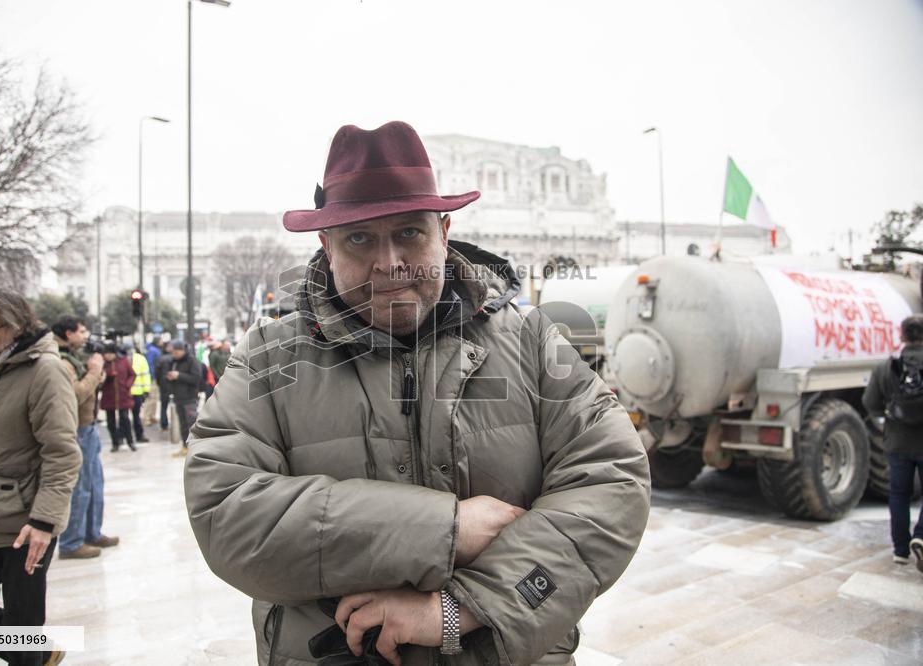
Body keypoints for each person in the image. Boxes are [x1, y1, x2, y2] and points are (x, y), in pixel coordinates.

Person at [183, 121, 650, 666]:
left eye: (409, 232)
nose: (389, 262)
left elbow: (612, 481)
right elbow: (224, 510)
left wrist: (462, 609)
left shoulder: (532, 342)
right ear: (326, 245)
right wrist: (446, 530)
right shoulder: (270, 358)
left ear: (444, 233)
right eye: (360, 238)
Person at [0, 286, 78, 666]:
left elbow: (62, 454)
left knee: (22, 632)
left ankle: (33, 654)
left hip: (28, 522)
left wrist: (43, 522)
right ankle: (43, 653)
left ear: (17, 324)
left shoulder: (46, 371)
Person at [53, 316, 120, 560]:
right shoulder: (61, 361)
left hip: (88, 427)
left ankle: (92, 533)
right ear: (68, 334)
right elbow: (75, 395)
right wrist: (94, 371)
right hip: (76, 429)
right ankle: (71, 542)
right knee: (80, 488)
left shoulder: (72, 357)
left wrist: (96, 375)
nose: (85, 336)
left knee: (94, 485)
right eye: (81, 331)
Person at [863, 313, 923, 572]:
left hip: (897, 442)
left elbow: (870, 403)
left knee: (899, 494)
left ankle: (900, 550)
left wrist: (889, 415)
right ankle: (921, 536)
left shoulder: (886, 367)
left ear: (902, 336)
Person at [167, 340, 202, 458]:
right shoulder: (174, 361)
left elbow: (196, 378)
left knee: (192, 424)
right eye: (173, 352)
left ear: (183, 350)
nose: (174, 354)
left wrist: (179, 375)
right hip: (178, 397)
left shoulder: (192, 360)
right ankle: (185, 447)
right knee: (182, 424)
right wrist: (170, 377)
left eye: (176, 352)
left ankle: (195, 448)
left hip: (189, 398)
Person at [100, 343, 136, 452]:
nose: (108, 356)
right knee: (110, 422)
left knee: (125, 419)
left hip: (123, 395)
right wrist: (107, 376)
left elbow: (132, 374)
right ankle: (115, 443)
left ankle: (130, 441)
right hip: (108, 396)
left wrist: (127, 385)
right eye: (106, 354)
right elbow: (98, 378)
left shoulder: (123, 361)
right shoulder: (102, 363)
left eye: (110, 353)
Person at [128, 343, 152, 443]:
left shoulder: (140, 359)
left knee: (136, 416)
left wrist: (146, 391)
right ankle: (125, 437)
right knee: (124, 417)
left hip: (137, 393)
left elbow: (145, 375)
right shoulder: (121, 359)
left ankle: (139, 435)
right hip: (125, 393)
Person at [143, 336, 163, 425]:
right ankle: (147, 417)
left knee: (154, 398)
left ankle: (152, 416)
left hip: (155, 377)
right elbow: (150, 364)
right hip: (153, 378)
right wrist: (153, 376)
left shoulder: (154, 350)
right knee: (151, 398)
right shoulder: (153, 351)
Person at [156, 341, 174, 432]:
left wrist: (159, 382)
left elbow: (157, 373)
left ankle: (164, 424)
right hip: (175, 384)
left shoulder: (161, 358)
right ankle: (176, 423)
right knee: (176, 405)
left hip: (163, 384)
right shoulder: (176, 358)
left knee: (164, 405)